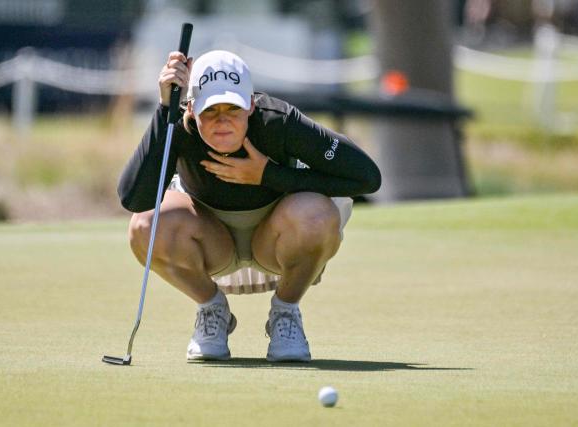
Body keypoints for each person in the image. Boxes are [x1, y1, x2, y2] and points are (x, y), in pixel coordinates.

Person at [118, 50, 381, 362]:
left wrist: (269, 174)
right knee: (144, 226)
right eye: (211, 110)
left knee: (317, 214)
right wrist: (164, 110)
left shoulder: (277, 121)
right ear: (191, 108)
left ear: (252, 104)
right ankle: (212, 309)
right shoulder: (177, 123)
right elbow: (133, 199)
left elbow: (367, 177)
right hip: (209, 242)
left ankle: (285, 311)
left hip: (276, 242)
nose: (223, 120)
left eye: (233, 108)